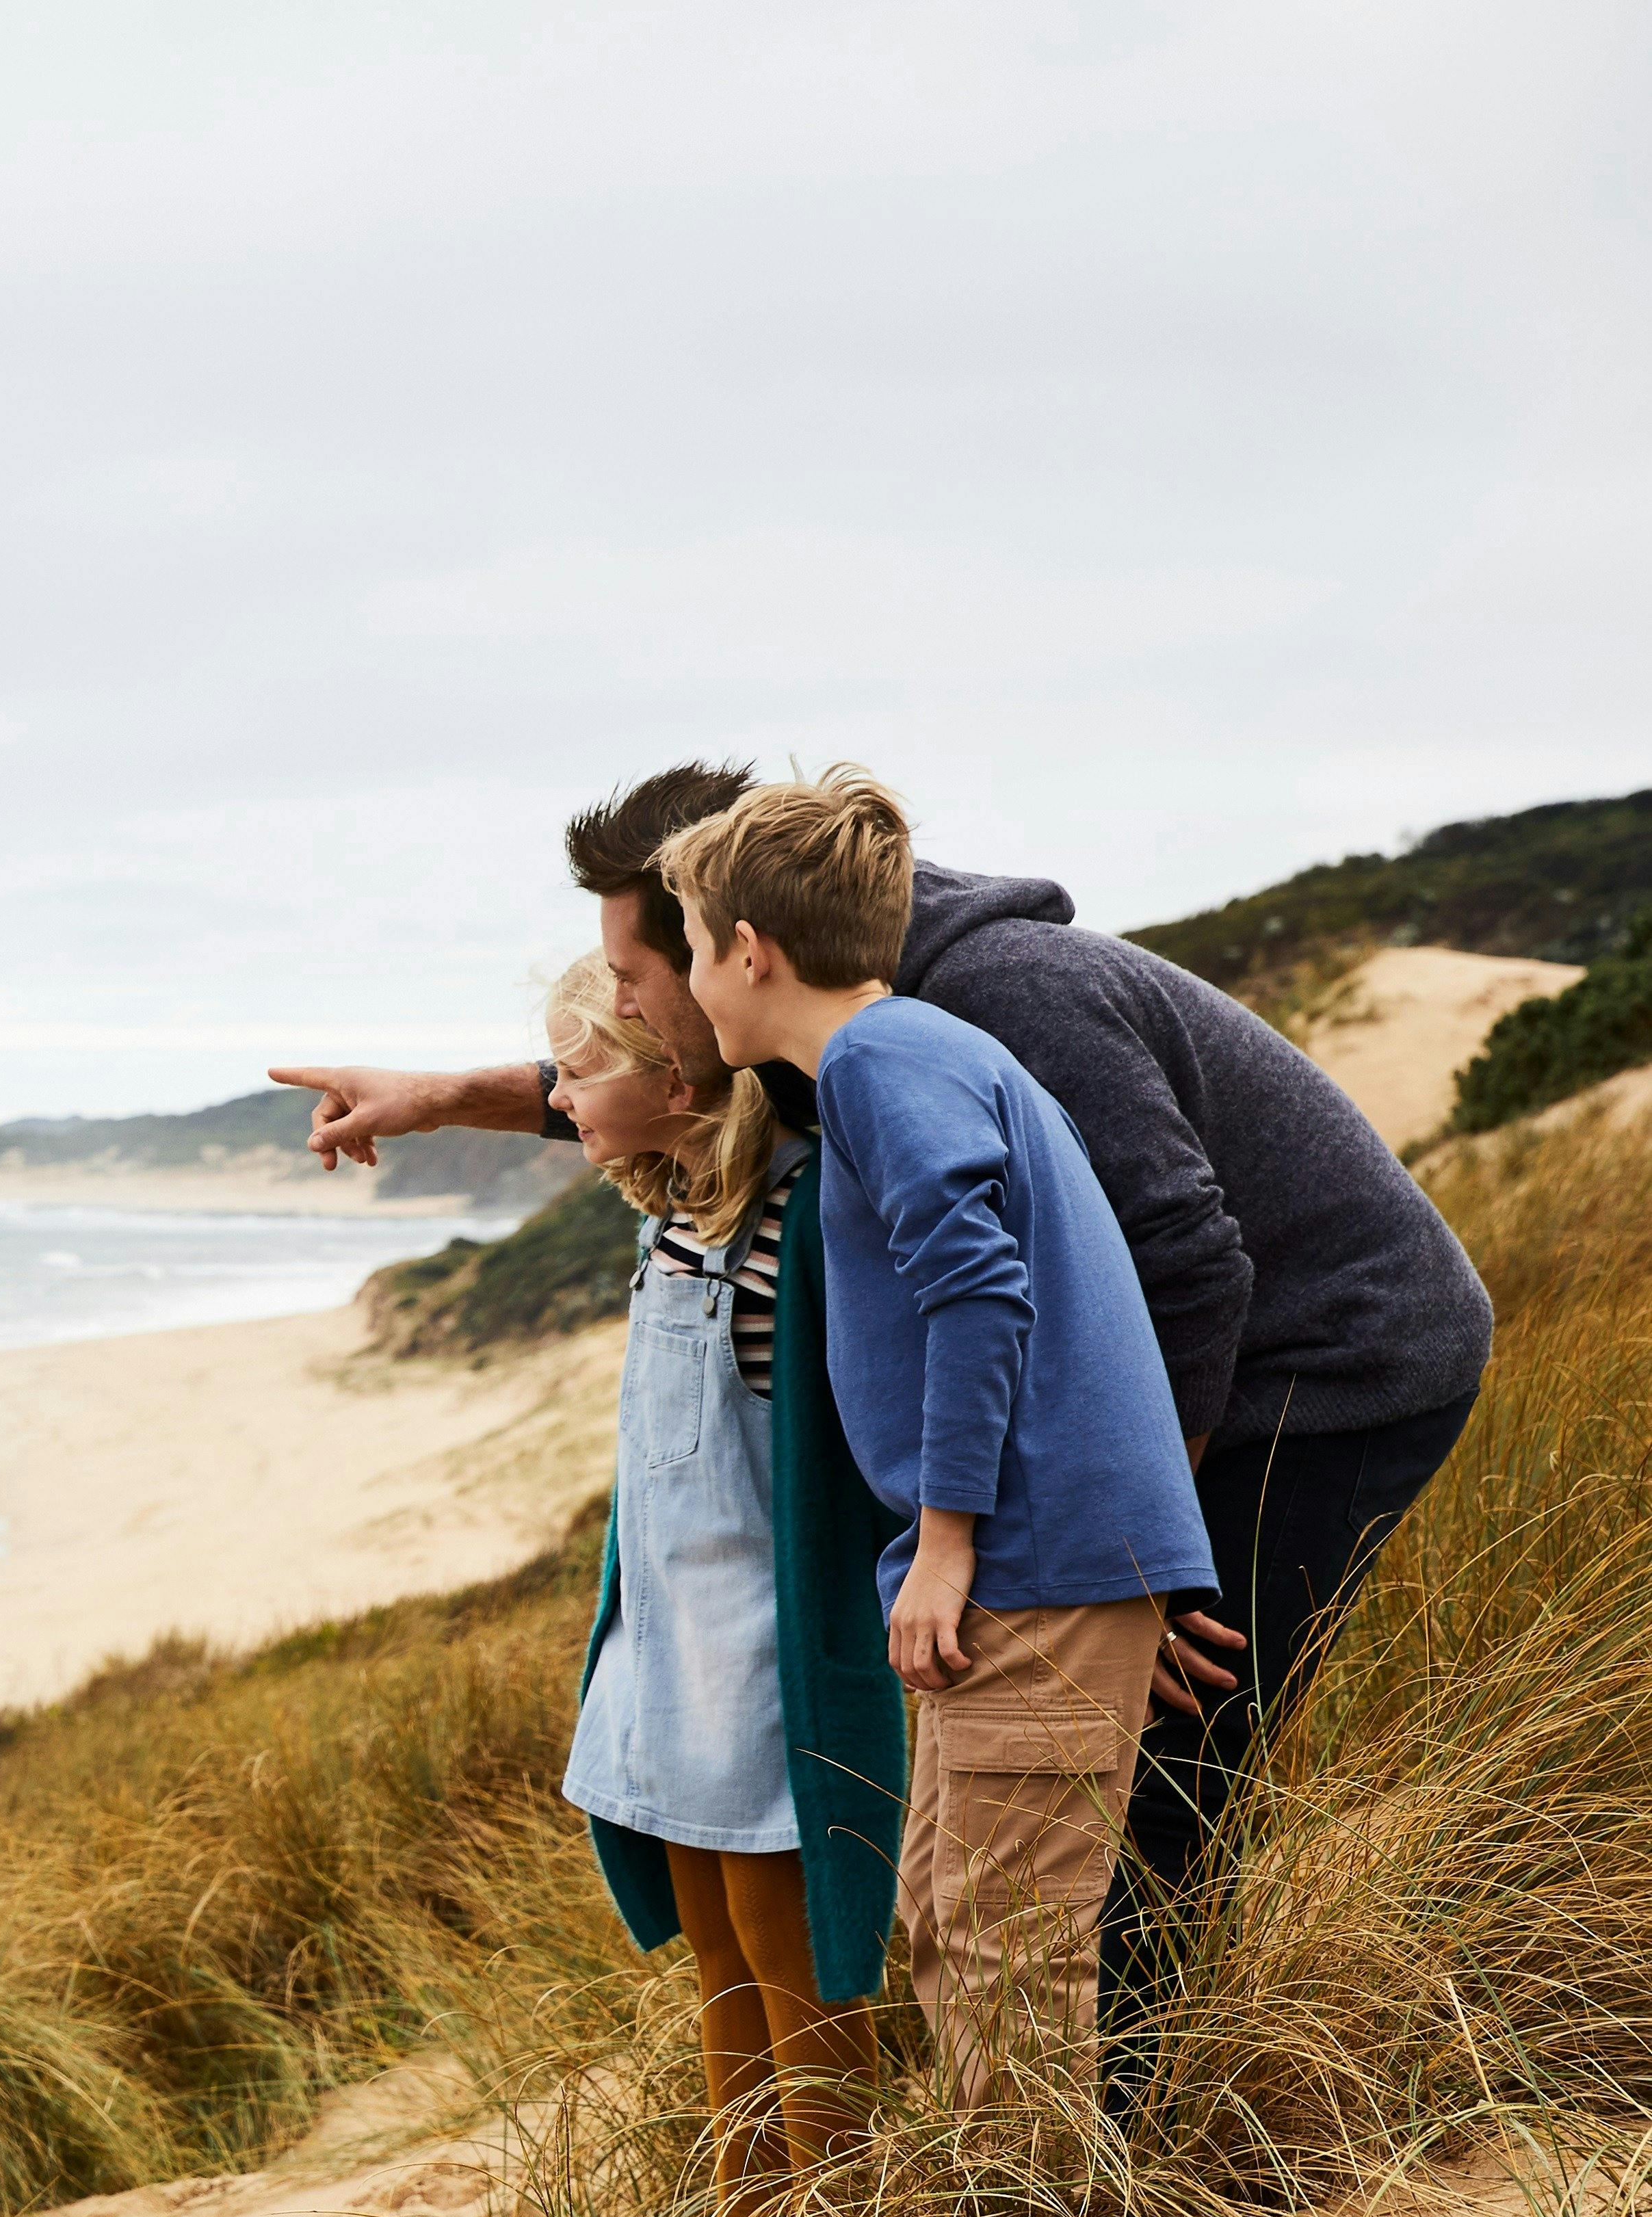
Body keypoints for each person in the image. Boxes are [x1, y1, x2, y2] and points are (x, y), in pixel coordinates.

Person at [276, 763, 1489, 2102]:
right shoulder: (838, 1026)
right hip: (1136, 1408)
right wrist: (443, 1094)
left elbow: (1193, 1261)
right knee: (1063, 1812)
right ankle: (1094, 2118)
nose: (618, 1001)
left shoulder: (991, 1002)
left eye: (635, 967)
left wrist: (1152, 1555)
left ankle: (1128, 2165)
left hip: (1332, 1363)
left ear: (731, 938)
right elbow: (663, 1083)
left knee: (1138, 1773)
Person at [657, 774, 1213, 2170]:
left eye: (687, 941)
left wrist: (949, 1543)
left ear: (749, 950)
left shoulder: (883, 1064)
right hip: (1027, 1554)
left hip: (1030, 1559)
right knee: (953, 1921)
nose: (684, 980)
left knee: (1002, 1945)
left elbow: (979, 1294)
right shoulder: (913, 1053)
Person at [542, 960, 905, 2217]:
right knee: (712, 1952)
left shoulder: (797, 1213)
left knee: (789, 1955)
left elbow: (847, 1456)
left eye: (578, 1067)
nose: (556, 1091)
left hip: (763, 1652)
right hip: (667, 1645)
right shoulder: (670, 1213)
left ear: (670, 1070)